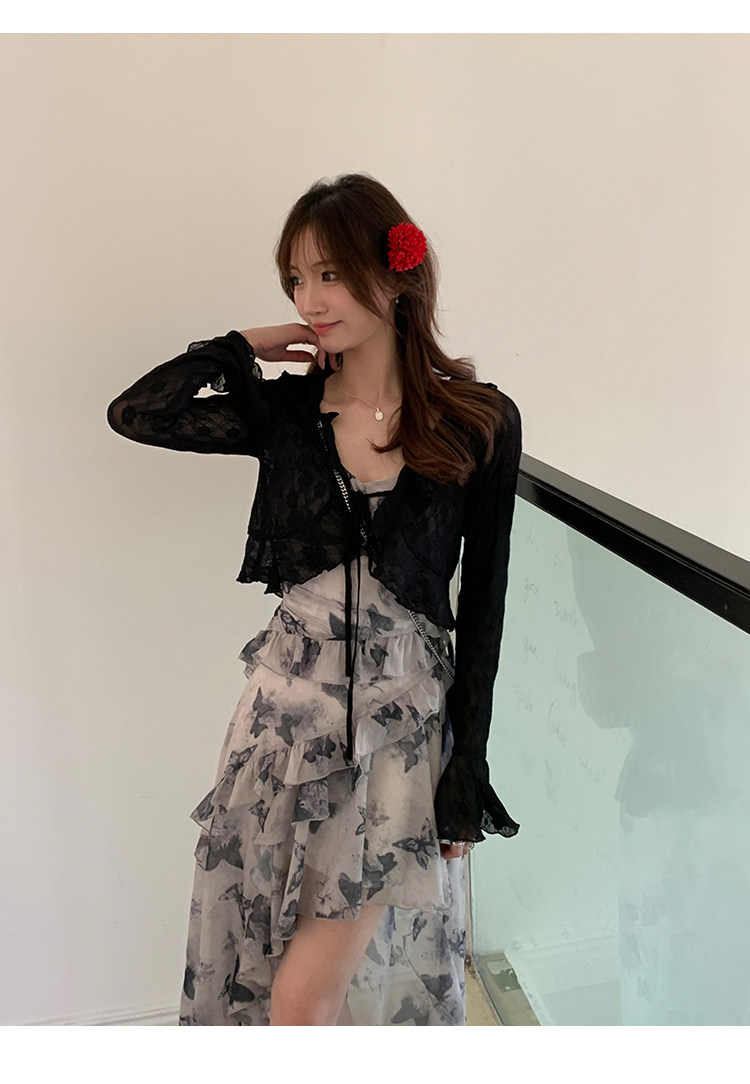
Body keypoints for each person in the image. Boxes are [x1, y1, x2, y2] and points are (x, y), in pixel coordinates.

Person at [107, 172, 522, 1026]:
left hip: (398, 736)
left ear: (396, 273)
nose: (310, 300)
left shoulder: (478, 419)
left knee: (302, 997)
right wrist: (241, 345)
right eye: (295, 279)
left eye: (330, 274)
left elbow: (485, 603)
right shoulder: (286, 413)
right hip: (281, 729)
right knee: (266, 970)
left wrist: (468, 771)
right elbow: (137, 413)